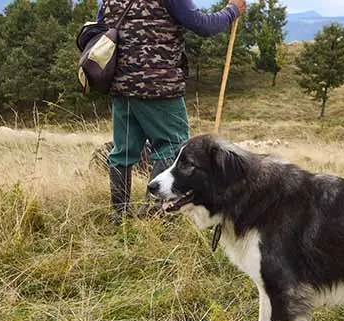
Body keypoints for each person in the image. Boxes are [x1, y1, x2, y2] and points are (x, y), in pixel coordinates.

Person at [97, 0, 246, 223]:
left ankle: (119, 215)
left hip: (121, 87)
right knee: (171, 148)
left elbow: (102, 28)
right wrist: (232, 11)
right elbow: (203, 25)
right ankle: (157, 215)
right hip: (160, 88)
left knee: (123, 152)